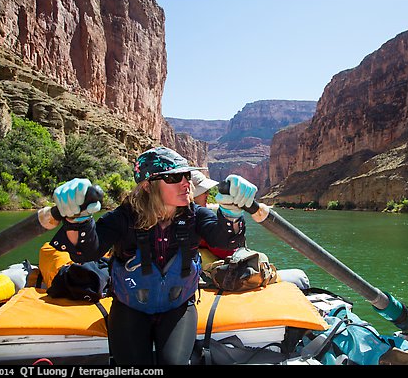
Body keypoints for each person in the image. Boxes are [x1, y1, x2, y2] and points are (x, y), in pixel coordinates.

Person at [48, 146, 257, 365]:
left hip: (178, 308)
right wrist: (77, 221)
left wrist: (231, 214)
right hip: (129, 308)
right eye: (175, 177)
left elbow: (226, 242)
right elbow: (86, 253)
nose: (187, 183)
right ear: (148, 186)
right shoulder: (123, 218)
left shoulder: (196, 215)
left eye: (186, 175)